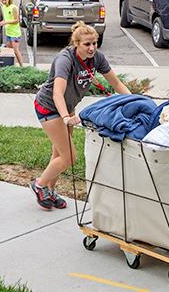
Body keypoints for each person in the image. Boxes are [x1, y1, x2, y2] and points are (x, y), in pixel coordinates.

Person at [30, 22, 130, 210]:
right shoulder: (65, 59)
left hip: (68, 108)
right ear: (76, 43)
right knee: (69, 158)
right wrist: (66, 117)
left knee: (59, 153)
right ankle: (40, 185)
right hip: (49, 107)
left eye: (94, 43)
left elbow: (116, 83)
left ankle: (50, 190)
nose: (91, 48)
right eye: (86, 44)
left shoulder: (97, 58)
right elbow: (57, 93)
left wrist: (136, 102)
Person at [0, 0, 24, 66]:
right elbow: (5, 20)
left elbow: (17, 20)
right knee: (10, 51)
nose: (4, 2)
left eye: (5, 0)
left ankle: (21, 66)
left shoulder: (13, 7)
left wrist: (6, 23)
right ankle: (12, 65)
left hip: (14, 33)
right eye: (3, 0)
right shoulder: (4, 8)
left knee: (16, 51)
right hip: (8, 32)